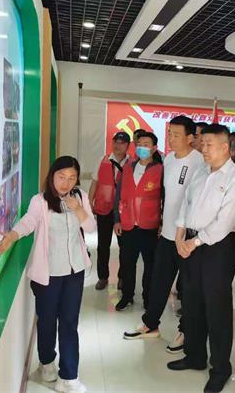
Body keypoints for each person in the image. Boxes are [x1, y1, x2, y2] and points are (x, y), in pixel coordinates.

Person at [0, 156, 96, 393]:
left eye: (71, 178)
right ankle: (47, 365)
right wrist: (13, 235)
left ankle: (69, 377)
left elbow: (91, 227)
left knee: (69, 323)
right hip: (48, 273)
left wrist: (79, 209)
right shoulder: (40, 201)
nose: (66, 183)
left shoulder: (80, 197)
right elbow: (29, 221)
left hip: (74, 271)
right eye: (61, 177)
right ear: (52, 176)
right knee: (47, 321)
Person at [167, 124, 235, 393]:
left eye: (209, 144)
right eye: (203, 143)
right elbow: (186, 204)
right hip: (189, 242)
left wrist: (193, 242)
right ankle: (195, 355)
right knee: (191, 302)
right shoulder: (201, 171)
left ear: (225, 147)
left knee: (217, 308)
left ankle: (220, 368)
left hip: (216, 247)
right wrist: (180, 234)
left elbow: (224, 223)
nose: (203, 148)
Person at [123, 116, 204, 355]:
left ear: (190, 138)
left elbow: (196, 201)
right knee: (159, 281)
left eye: (176, 135)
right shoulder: (168, 159)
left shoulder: (199, 161)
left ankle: (185, 331)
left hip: (187, 237)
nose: (171, 138)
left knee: (188, 288)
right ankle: (150, 324)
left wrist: (188, 236)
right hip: (168, 233)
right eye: (169, 134)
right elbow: (165, 196)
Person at [113, 132, 163, 311]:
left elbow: (164, 198)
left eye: (146, 144)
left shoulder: (160, 170)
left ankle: (148, 297)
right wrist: (117, 220)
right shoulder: (128, 168)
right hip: (128, 224)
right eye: (140, 144)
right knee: (127, 262)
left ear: (154, 148)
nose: (142, 147)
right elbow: (119, 195)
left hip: (149, 225)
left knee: (150, 265)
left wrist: (162, 223)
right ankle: (127, 296)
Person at [88, 131, 131, 291]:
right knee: (103, 245)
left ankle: (122, 277)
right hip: (104, 208)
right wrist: (89, 202)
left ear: (128, 145)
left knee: (124, 246)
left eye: (121, 143)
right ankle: (103, 277)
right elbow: (95, 182)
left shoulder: (132, 163)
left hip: (123, 211)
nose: (117, 145)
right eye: (115, 142)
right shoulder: (103, 160)